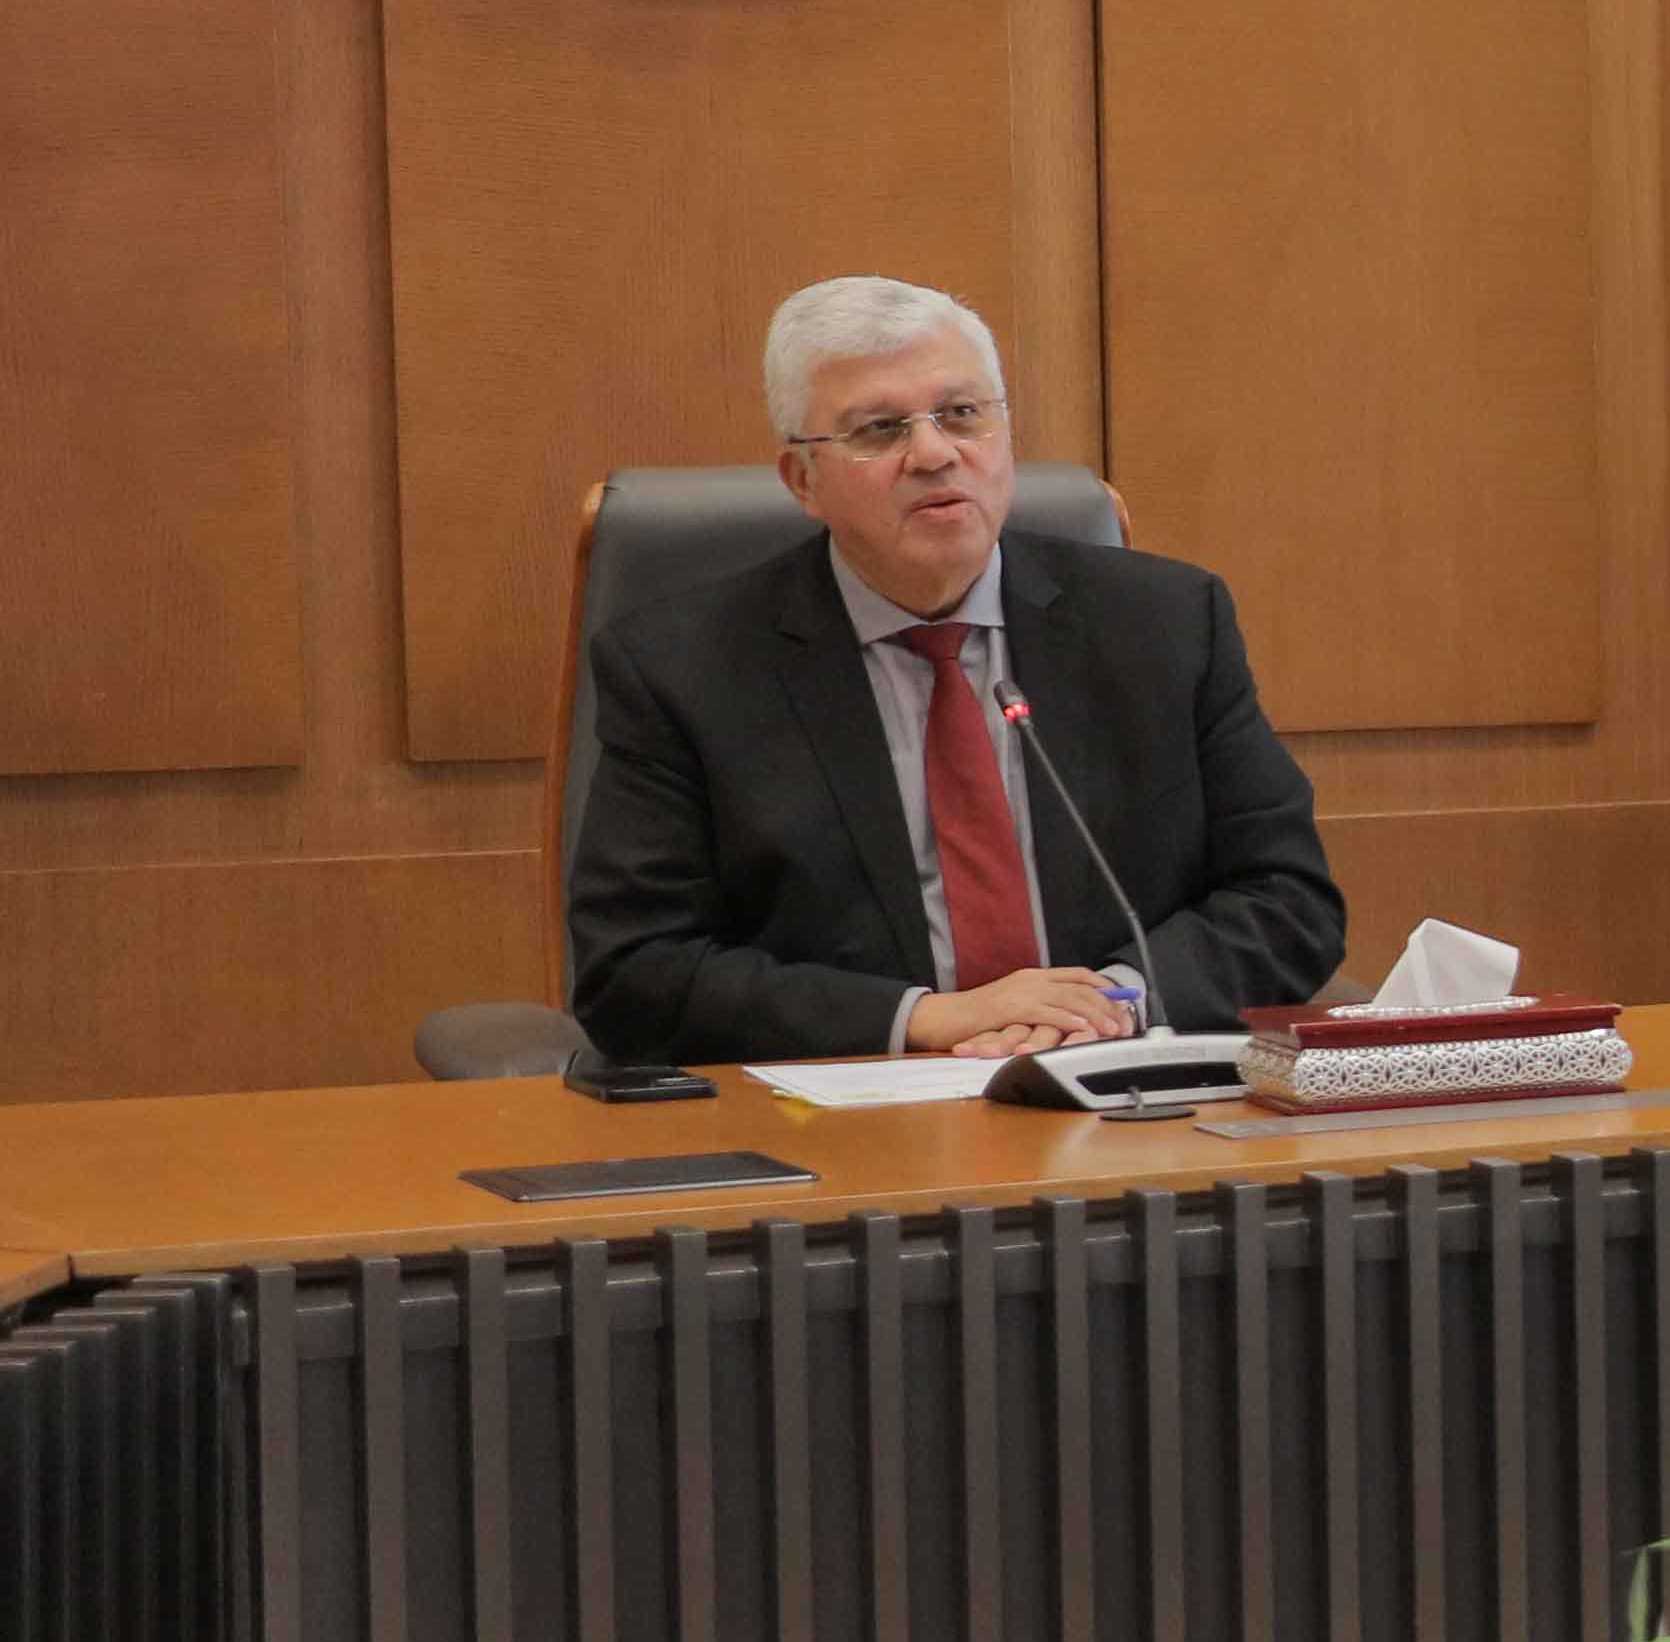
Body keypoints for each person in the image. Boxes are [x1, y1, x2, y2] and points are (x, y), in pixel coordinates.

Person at [565, 277, 1347, 1065]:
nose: (936, 454)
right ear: (803, 480)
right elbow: (635, 971)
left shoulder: (1166, 625)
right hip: (847, 1107)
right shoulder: (685, 669)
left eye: (962, 413)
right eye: (880, 429)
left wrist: (1114, 1000)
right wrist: (927, 1018)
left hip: (1116, 1084)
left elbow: (1288, 900)